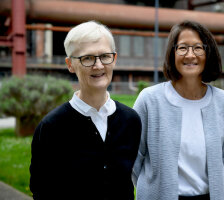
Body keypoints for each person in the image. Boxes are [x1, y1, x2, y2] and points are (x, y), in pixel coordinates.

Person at [29, 21, 141, 200]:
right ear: (70, 64)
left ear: (115, 58)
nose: (98, 66)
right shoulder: (51, 127)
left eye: (105, 56)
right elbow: (41, 191)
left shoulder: (131, 120)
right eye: (87, 58)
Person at [132, 20, 224, 200]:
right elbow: (134, 157)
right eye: (182, 48)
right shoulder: (149, 100)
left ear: (208, 52)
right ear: (172, 53)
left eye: (198, 47)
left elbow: (223, 159)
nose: (190, 55)